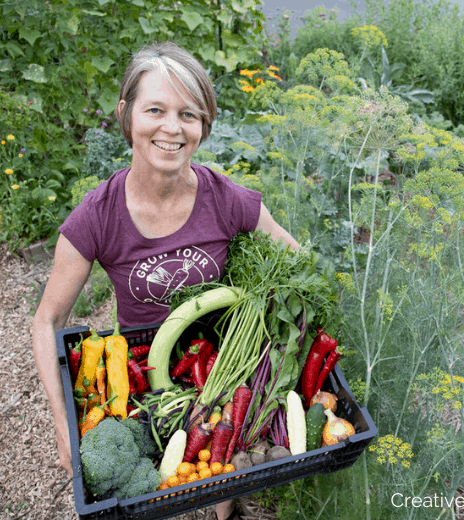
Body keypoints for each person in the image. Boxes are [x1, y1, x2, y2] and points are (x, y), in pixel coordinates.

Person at [31, 41, 298, 520]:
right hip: (141, 374)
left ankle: (225, 509)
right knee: (149, 486)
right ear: (127, 114)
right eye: (155, 109)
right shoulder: (96, 216)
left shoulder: (226, 199)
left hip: (223, 367)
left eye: (189, 115)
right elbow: (47, 320)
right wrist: (60, 426)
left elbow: (296, 261)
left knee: (218, 472)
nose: (172, 128)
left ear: (203, 127)